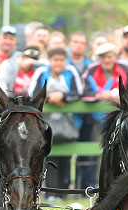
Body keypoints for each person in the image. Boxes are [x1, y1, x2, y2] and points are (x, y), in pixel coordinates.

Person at [31, 47, 82, 190]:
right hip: (45, 122)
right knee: (48, 154)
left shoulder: (71, 72)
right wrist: (50, 97)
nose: (58, 63)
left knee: (66, 155)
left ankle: (64, 189)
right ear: (50, 61)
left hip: (67, 122)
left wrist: (62, 96)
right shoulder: (41, 72)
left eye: (61, 60)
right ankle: (50, 190)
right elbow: (33, 93)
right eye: (55, 60)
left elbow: (78, 92)